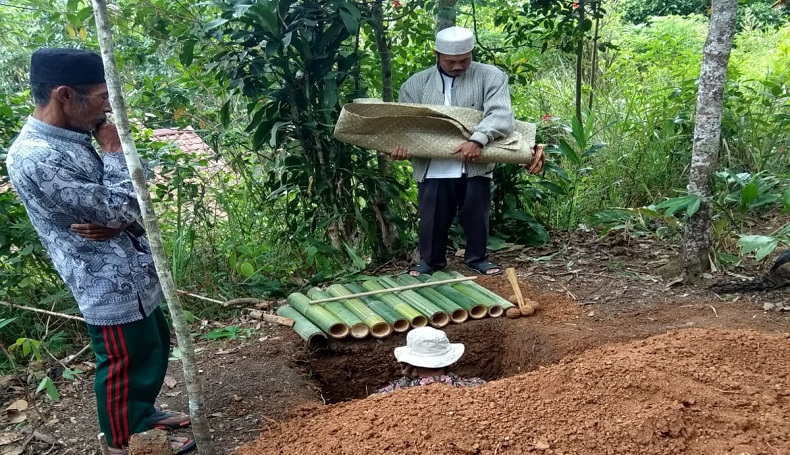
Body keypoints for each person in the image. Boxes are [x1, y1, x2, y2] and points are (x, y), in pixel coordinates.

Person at [6, 48, 195, 455]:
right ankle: (123, 443)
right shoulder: (38, 156)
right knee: (123, 363)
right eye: (102, 96)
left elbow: (132, 197)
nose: (109, 107)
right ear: (65, 96)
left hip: (130, 270)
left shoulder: (78, 135)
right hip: (103, 280)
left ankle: (141, 416)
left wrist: (120, 209)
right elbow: (125, 205)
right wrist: (113, 155)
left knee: (151, 347)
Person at [391, 26, 545, 277]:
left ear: (472, 53)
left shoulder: (491, 76)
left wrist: (479, 139)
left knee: (476, 213)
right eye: (450, 61)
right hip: (432, 165)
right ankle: (430, 261)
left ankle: (478, 258)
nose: (457, 66)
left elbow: (501, 114)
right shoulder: (415, 84)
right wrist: (398, 147)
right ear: (436, 54)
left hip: (476, 160)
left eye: (464, 60)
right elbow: (406, 123)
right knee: (432, 217)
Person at [374, 327, 485, 395]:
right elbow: (479, 382)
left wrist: (406, 380)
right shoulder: (474, 387)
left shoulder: (396, 396)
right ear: (450, 362)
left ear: (408, 364)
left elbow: (374, 398)